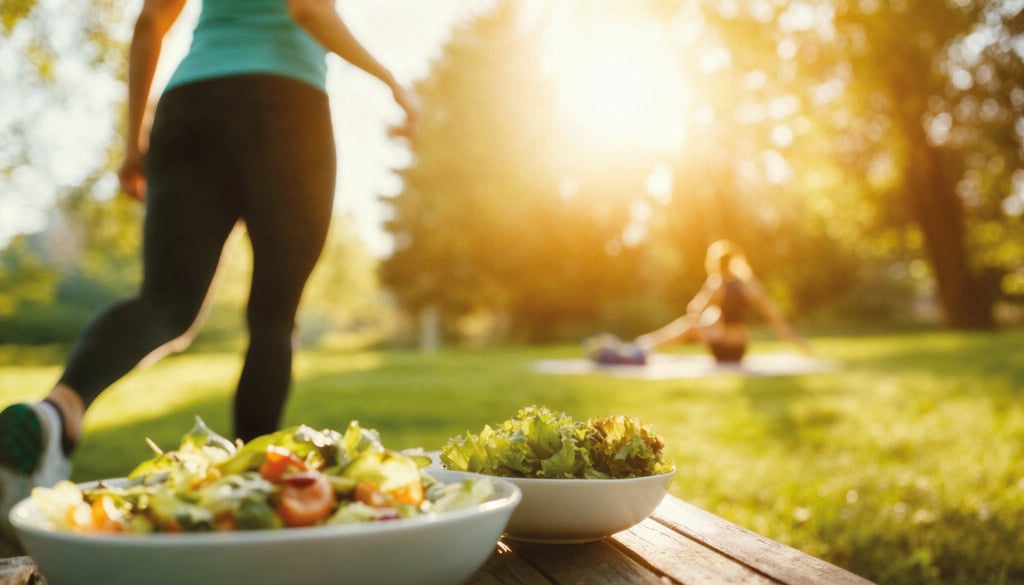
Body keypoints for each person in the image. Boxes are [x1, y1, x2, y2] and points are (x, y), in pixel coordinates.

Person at [0, 0, 420, 525]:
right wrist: (393, 82)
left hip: (191, 104)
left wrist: (134, 143)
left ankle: (55, 412)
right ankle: (250, 494)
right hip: (284, 104)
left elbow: (151, 21)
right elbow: (309, 8)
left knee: (165, 302)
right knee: (272, 318)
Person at [633, 239, 814, 363]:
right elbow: (774, 318)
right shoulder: (749, 285)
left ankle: (647, 344)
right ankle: (647, 343)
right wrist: (799, 343)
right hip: (740, 350)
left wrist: (709, 302)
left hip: (722, 350)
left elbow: (693, 311)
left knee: (694, 322)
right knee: (711, 317)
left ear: (716, 264)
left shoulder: (716, 285)